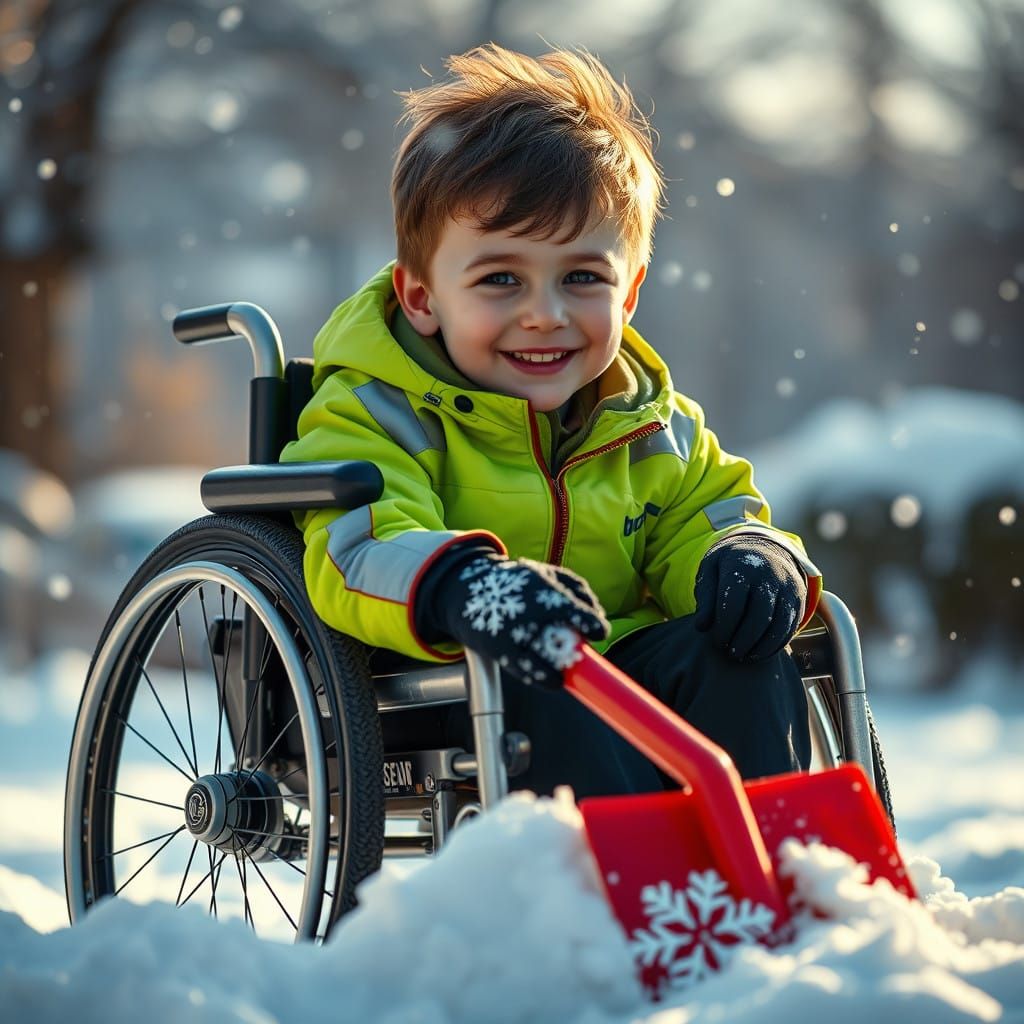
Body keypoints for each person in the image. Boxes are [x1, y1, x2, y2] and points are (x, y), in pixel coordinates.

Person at [280, 44, 821, 797]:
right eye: (501, 278)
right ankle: (612, 885)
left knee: (738, 655)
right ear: (421, 298)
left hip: (623, 683)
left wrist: (748, 555)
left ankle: (777, 866)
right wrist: (463, 585)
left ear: (627, 296)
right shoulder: (375, 409)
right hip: (448, 686)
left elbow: (713, 511)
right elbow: (364, 547)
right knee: (549, 678)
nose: (545, 314)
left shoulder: (651, 424)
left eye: (582, 278)